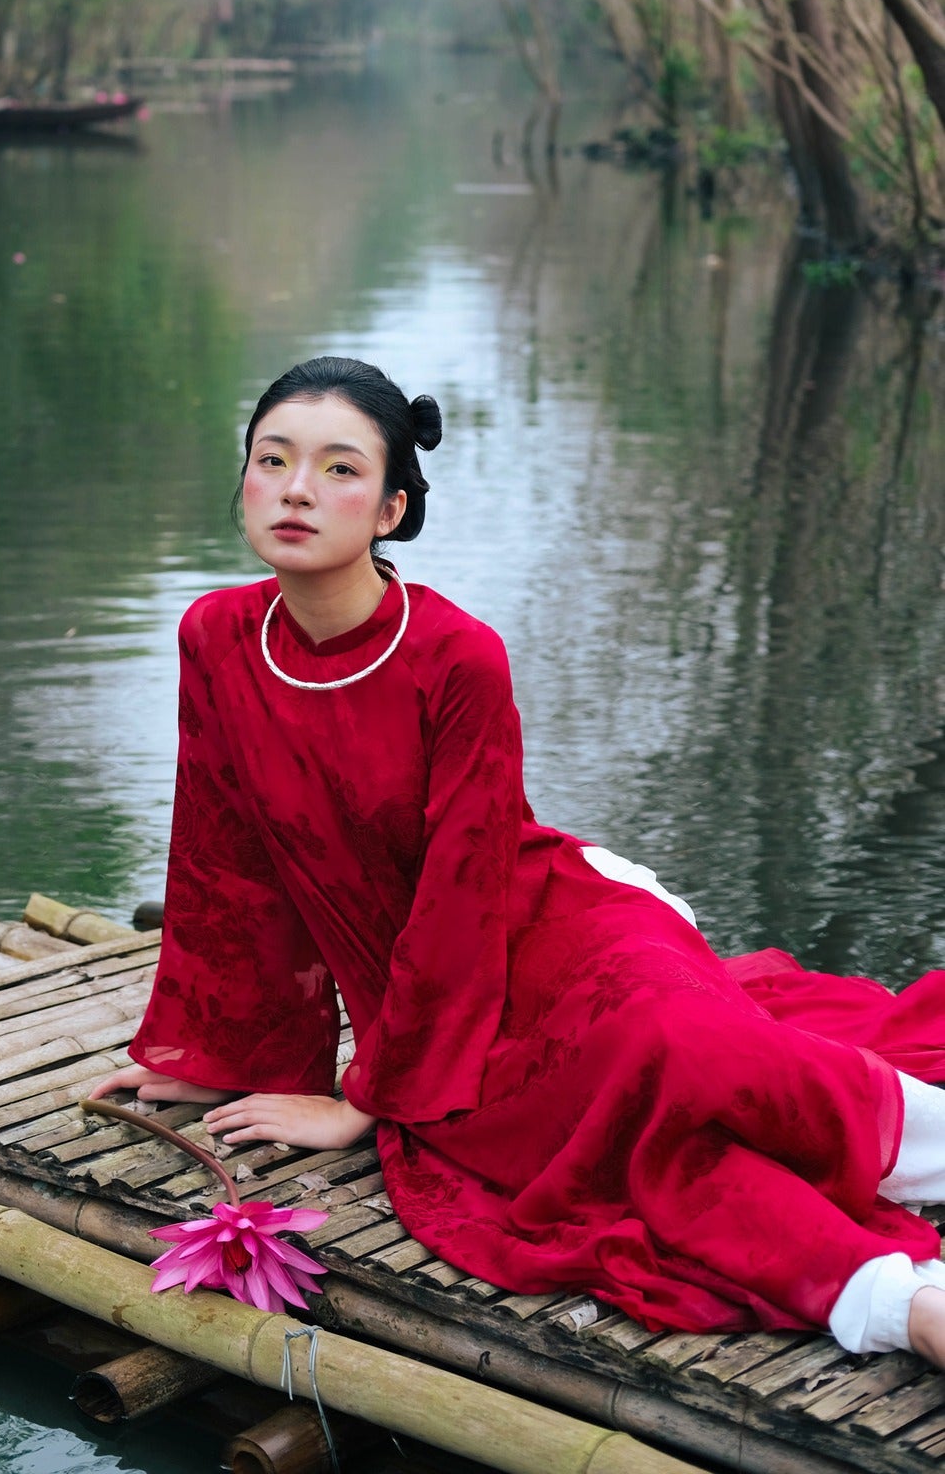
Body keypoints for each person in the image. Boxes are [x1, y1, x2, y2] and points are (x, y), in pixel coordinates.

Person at [88, 356, 945, 1360]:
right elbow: (223, 861)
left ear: (391, 507)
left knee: (677, 1046)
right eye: (271, 459)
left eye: (337, 468)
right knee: (595, 1141)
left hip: (544, 921)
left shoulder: (455, 655)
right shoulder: (218, 637)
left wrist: (369, 1093)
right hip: (418, 998)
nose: (296, 488)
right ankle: (903, 1302)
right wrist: (219, 1054)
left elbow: (460, 889)